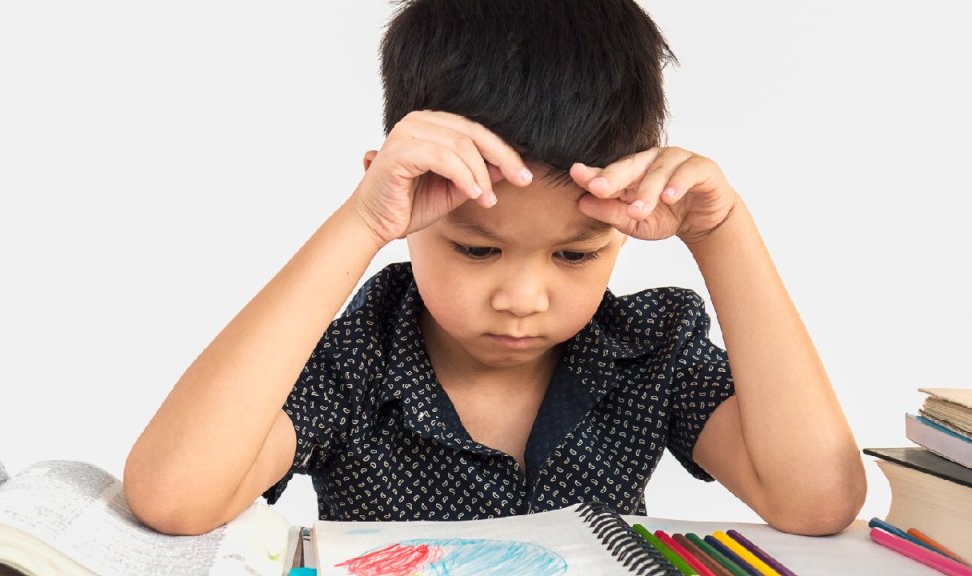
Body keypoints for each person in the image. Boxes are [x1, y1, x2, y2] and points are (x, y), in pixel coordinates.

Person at [124, 0, 866, 537]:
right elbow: (173, 497)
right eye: (477, 250)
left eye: (576, 254)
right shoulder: (355, 362)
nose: (522, 298)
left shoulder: (648, 353)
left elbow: (816, 500)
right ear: (408, 201)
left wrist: (723, 234)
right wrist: (359, 222)